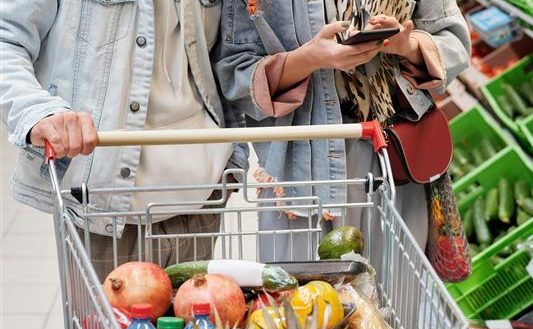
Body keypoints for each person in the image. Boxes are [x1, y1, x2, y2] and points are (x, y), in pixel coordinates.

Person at [1, 0, 248, 281]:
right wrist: (38, 111)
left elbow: (226, 56)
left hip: (200, 197)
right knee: (103, 324)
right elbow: (7, 37)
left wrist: (233, 158)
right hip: (104, 209)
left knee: (200, 323)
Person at [215, 0, 470, 262]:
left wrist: (409, 46)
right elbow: (235, 74)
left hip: (398, 161)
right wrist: (309, 59)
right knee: (308, 297)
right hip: (306, 172)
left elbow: (453, 41)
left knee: (396, 294)